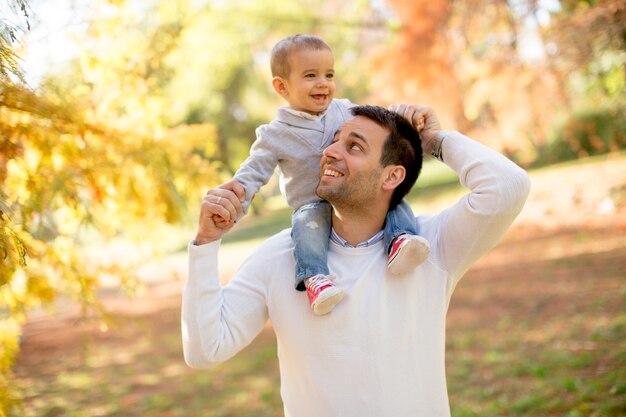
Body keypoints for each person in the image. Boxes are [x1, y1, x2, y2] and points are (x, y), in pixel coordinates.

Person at [182, 104, 531, 416]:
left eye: (354, 146)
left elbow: (507, 187)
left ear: (392, 176)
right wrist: (206, 243)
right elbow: (205, 349)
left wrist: (435, 141)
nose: (330, 152)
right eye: (335, 140)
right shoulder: (280, 256)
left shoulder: (429, 248)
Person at [223, 34, 429, 315]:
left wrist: (407, 116)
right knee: (306, 226)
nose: (323, 83)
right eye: (310, 75)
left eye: (329, 74)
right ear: (282, 86)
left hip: (353, 193)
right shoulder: (274, 134)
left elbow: (379, 122)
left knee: (392, 199)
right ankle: (316, 278)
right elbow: (253, 172)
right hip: (311, 202)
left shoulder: (344, 110)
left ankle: (400, 240)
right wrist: (236, 199)